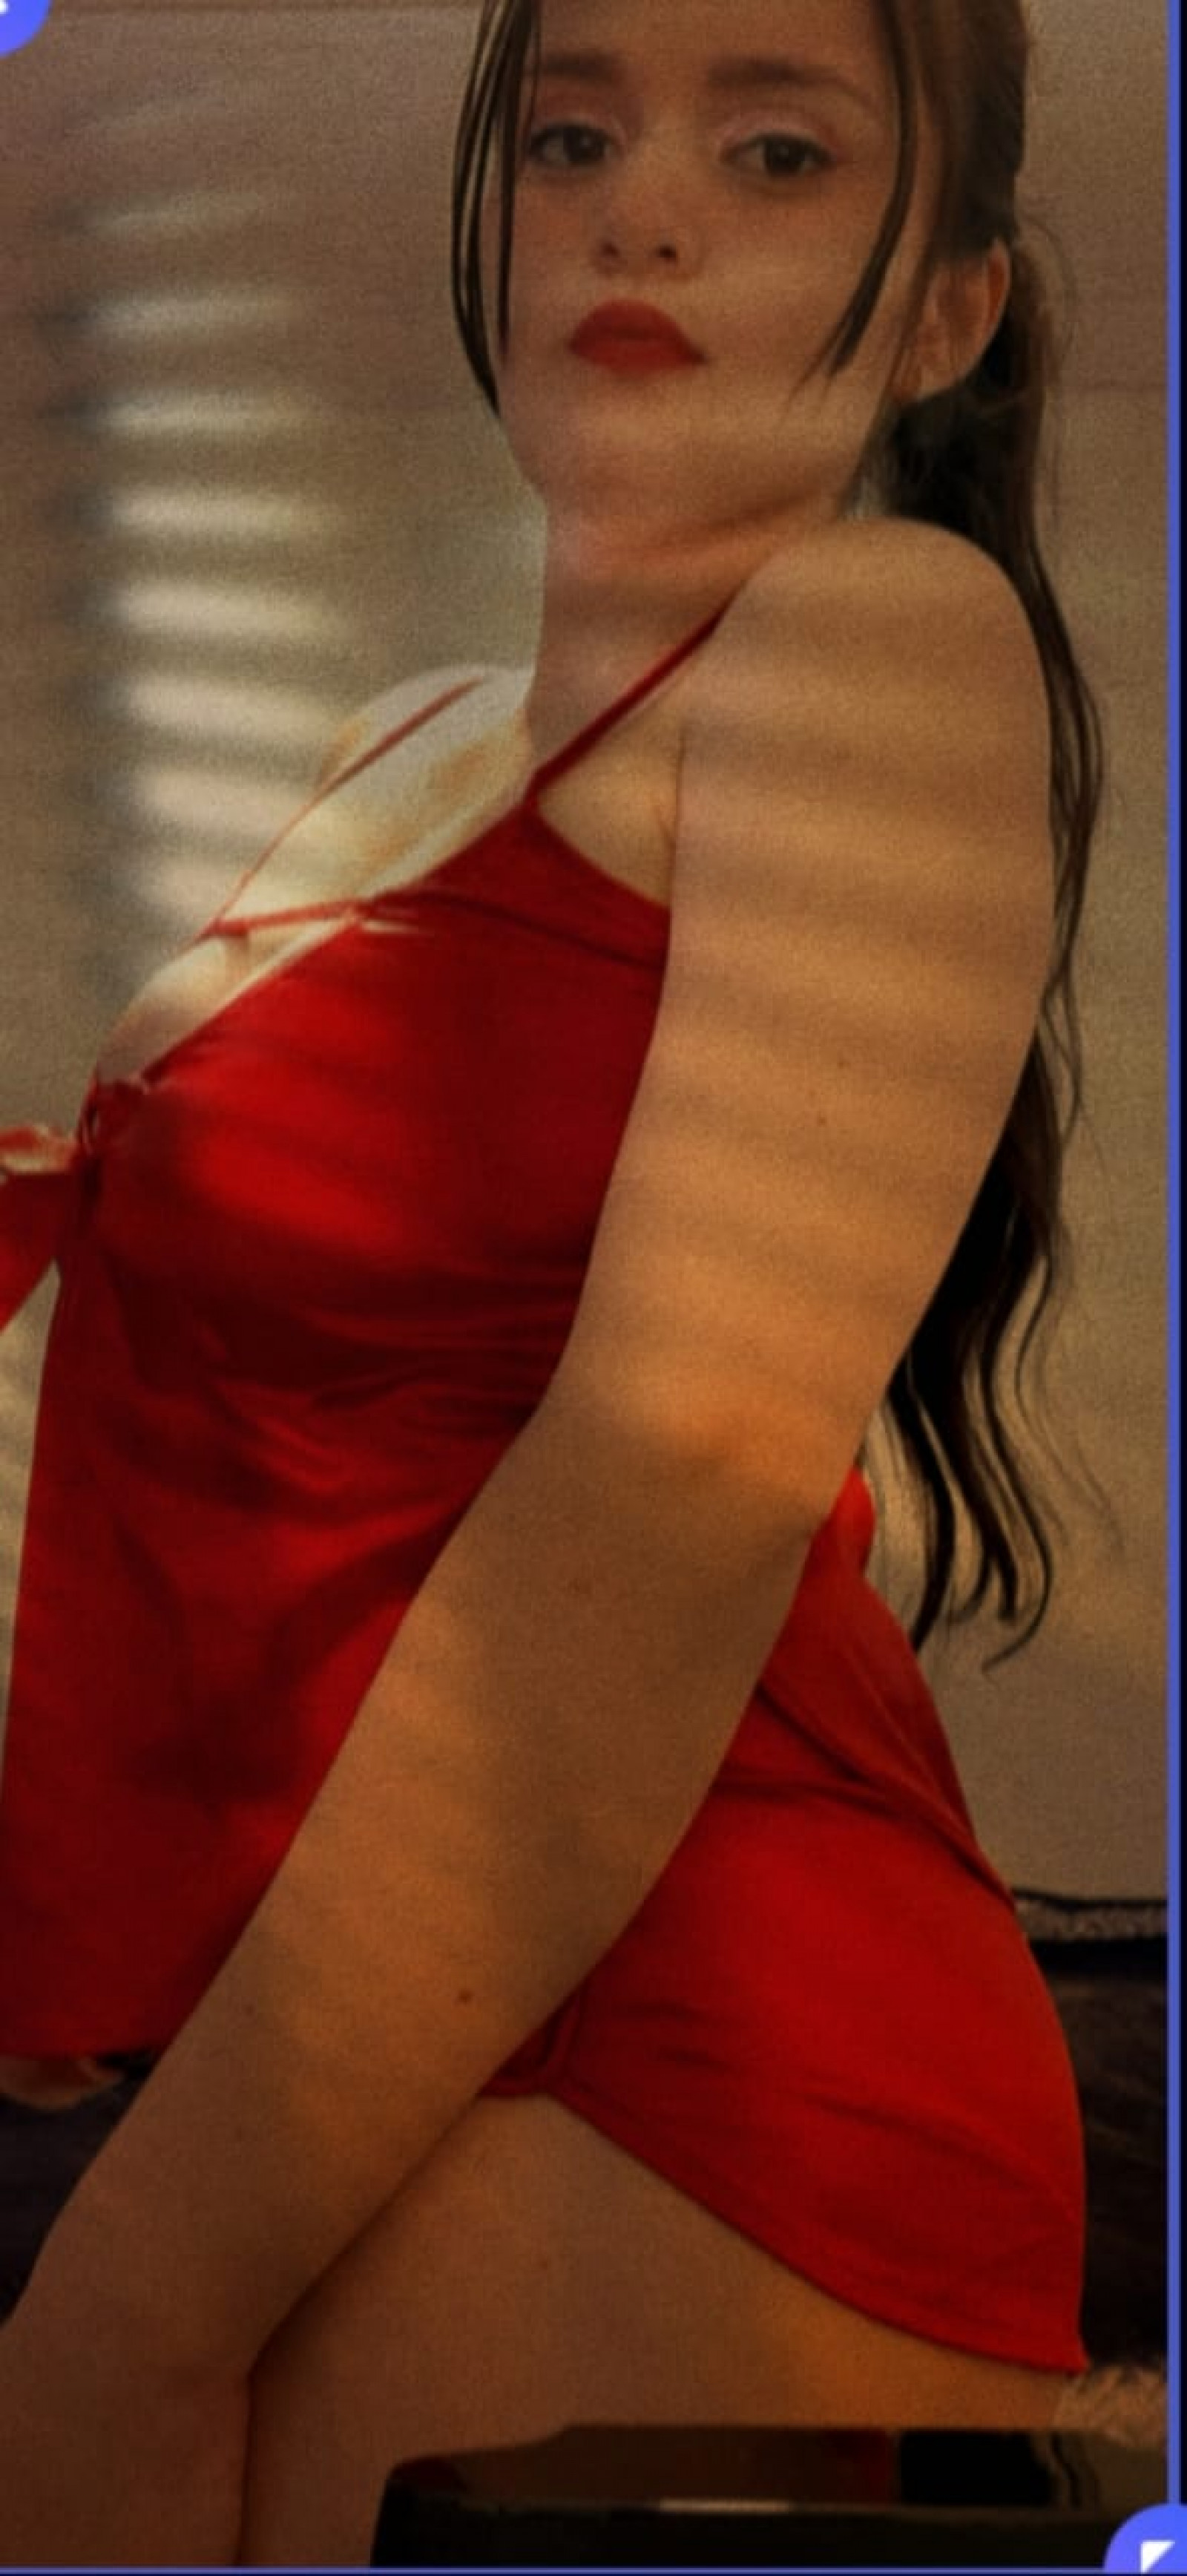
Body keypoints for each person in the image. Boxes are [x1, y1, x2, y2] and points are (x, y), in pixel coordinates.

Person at [0, 0, 1104, 2561]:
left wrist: (136, 2302)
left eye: (780, 151)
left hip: (699, 2004)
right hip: (359, 1996)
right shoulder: (403, 732)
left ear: (948, 312)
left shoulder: (874, 631)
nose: (641, 207)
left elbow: (676, 1476)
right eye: (573, 135)